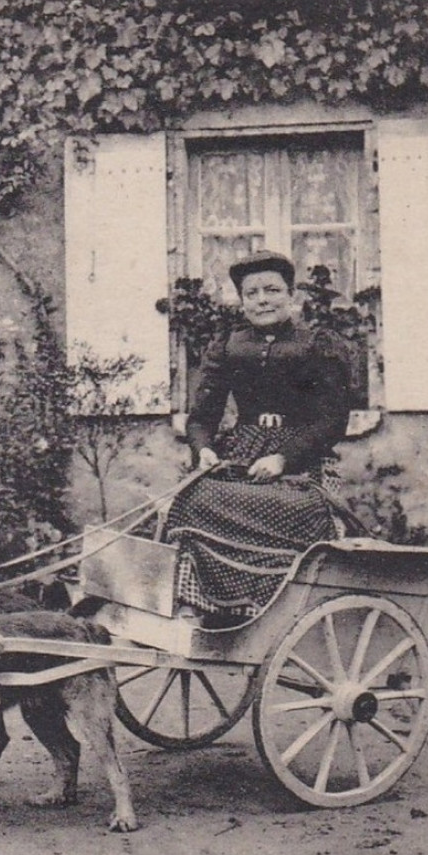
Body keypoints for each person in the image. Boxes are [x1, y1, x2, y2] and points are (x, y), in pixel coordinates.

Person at [165, 250, 357, 624]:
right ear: (242, 300)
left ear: (291, 296)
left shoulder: (317, 344)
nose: (262, 300)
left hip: (304, 460)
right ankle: (204, 603)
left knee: (294, 508)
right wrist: (203, 449)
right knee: (193, 497)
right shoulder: (229, 346)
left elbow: (332, 419)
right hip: (242, 452)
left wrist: (283, 458)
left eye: (272, 290)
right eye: (251, 293)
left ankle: (273, 610)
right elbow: (202, 417)